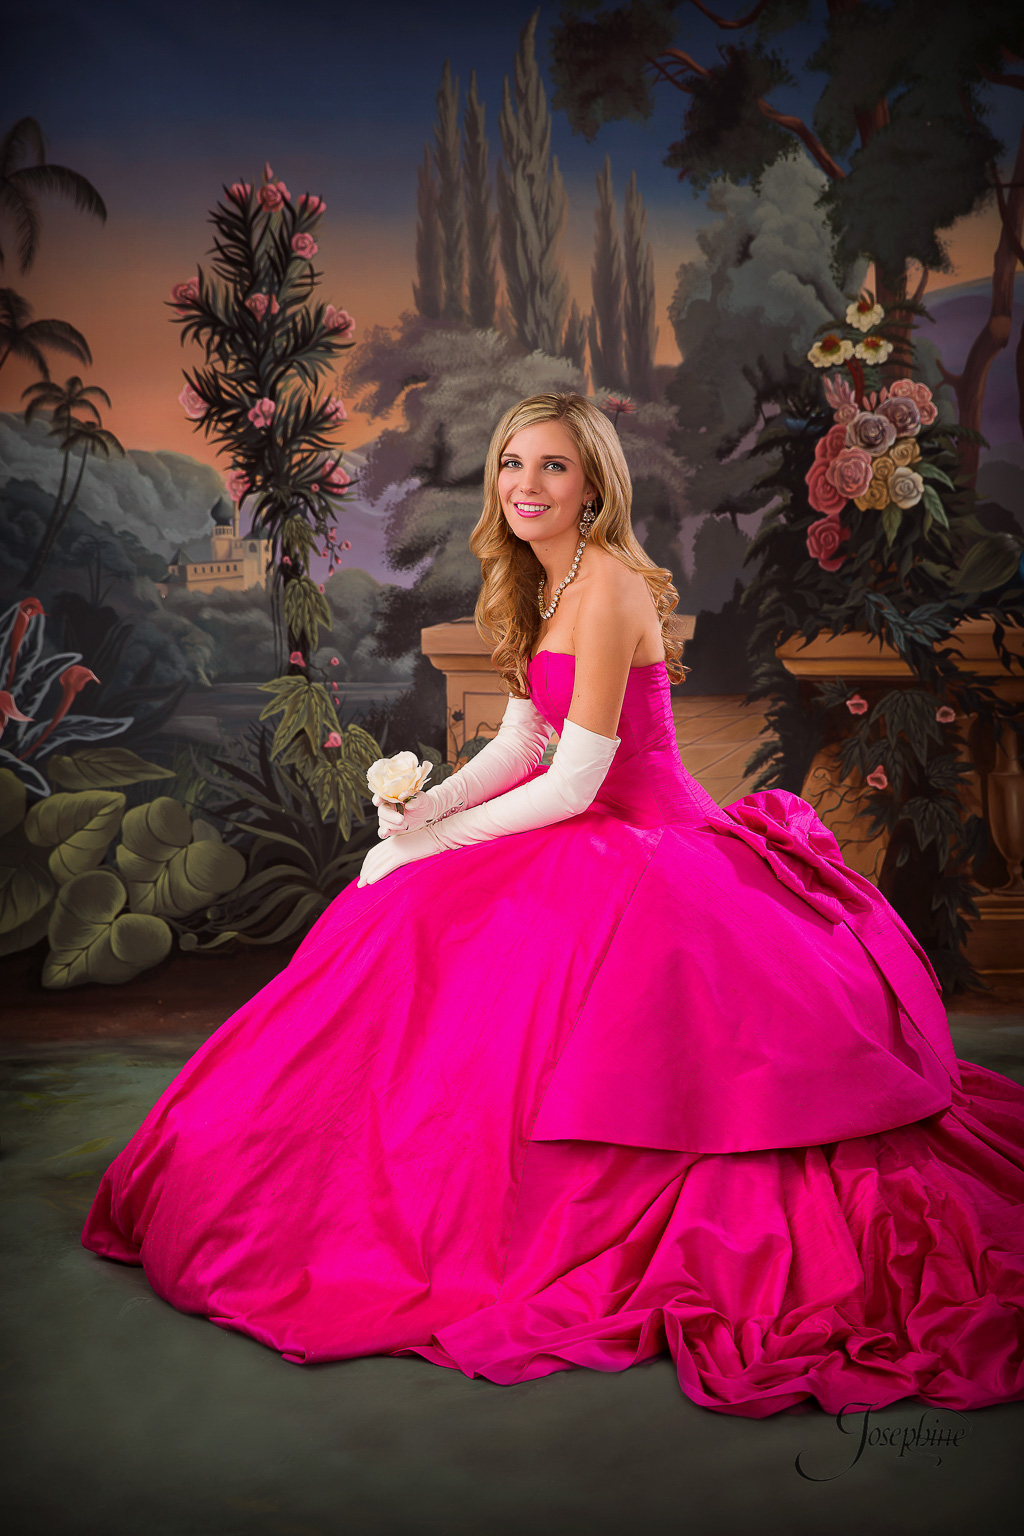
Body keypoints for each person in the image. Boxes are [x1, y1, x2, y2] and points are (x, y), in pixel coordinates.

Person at [81, 392, 1024, 1419]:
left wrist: (437, 843)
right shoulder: (539, 576)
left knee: (490, 951)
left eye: (552, 467)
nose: (525, 485)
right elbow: (523, 740)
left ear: (593, 487)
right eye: (511, 464)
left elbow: (577, 782)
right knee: (404, 920)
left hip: (648, 841)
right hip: (584, 824)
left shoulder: (608, 581)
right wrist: (424, 812)